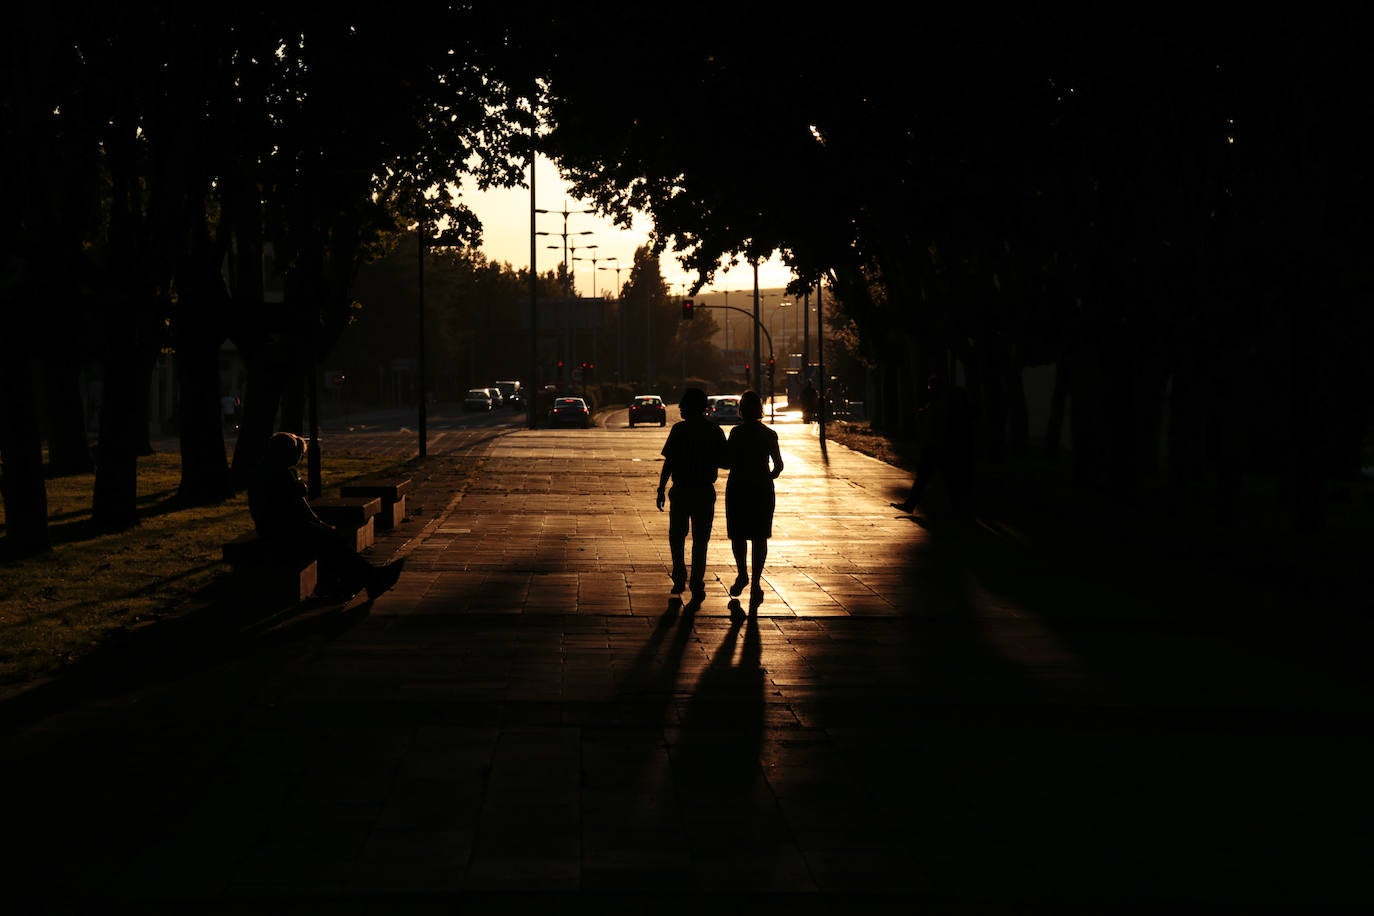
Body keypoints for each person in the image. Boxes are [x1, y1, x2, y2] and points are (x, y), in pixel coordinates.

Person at [248, 432, 404, 601]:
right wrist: (319, 522)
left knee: (328, 538)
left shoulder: (268, 470)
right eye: (295, 452)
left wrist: (318, 522)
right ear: (284, 452)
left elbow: (298, 509)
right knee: (328, 539)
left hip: (279, 526)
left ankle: (360, 581)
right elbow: (299, 509)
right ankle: (366, 579)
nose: (297, 457)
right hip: (281, 528)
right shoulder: (281, 474)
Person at [656, 387, 728, 598]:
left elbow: (668, 462)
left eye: (682, 405)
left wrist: (661, 488)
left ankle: (679, 576)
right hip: (704, 491)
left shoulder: (679, 430)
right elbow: (726, 463)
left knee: (676, 536)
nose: (679, 408)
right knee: (700, 539)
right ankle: (697, 580)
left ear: (688, 407)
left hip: (681, 490)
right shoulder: (714, 431)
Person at [724, 389, 784, 606]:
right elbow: (778, 466)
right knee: (760, 536)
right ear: (760, 410)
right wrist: (766, 477)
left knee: (738, 534)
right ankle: (757, 582)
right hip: (762, 489)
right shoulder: (769, 435)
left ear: (741, 410)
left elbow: (727, 461)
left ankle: (742, 574)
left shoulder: (736, 434)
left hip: (738, 487)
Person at [892, 375, 973, 520]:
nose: (929, 390)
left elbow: (931, 420)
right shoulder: (951, 400)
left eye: (930, 387)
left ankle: (955, 509)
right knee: (944, 478)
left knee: (929, 477)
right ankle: (957, 509)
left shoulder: (940, 403)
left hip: (937, 446)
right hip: (946, 445)